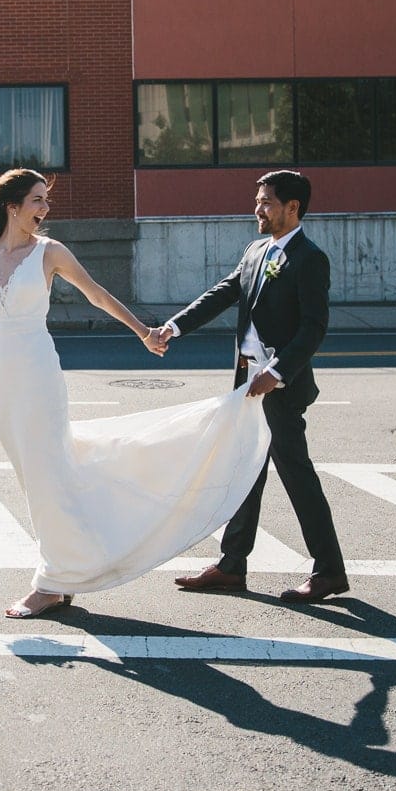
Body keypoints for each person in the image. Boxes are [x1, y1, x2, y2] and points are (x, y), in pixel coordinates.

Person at [0, 168, 272, 619]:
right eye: (38, 200)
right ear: (12, 206)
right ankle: (65, 569)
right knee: (32, 477)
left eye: (46, 201)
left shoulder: (49, 253)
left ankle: (52, 581)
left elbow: (97, 295)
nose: (45, 209)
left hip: (39, 375)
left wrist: (143, 331)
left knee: (49, 472)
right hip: (2, 379)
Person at [148, 170, 349, 603]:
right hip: (246, 382)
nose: (257, 209)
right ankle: (232, 565)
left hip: (278, 385)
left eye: (267, 203)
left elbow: (314, 327)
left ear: (292, 208)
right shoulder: (256, 250)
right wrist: (175, 327)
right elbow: (224, 292)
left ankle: (329, 571)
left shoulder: (309, 258)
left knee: (296, 475)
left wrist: (277, 372)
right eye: (258, 201)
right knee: (244, 470)